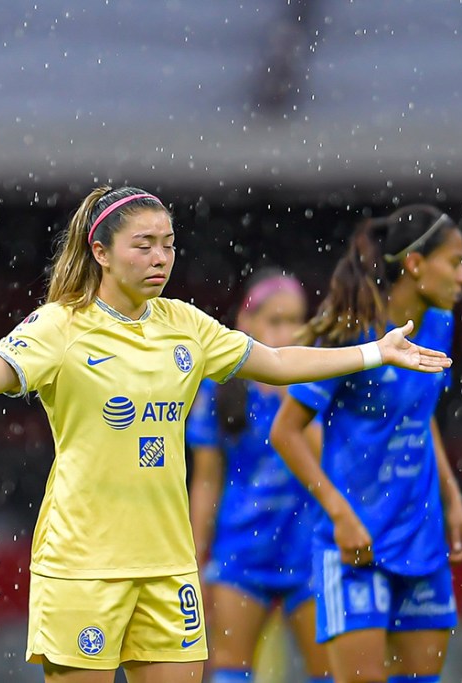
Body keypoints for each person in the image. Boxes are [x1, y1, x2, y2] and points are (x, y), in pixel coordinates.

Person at [0, 186, 451, 683]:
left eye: (168, 244)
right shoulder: (58, 327)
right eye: (143, 244)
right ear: (101, 250)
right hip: (83, 565)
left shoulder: (184, 325)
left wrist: (374, 354)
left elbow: (278, 363)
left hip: (168, 567)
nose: (160, 257)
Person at [269, 205, 462, 683]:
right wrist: (340, 516)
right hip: (356, 543)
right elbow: (285, 431)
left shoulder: (440, 324)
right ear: (417, 265)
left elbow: (420, 418)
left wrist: (452, 496)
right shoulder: (352, 334)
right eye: (455, 261)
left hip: (420, 536)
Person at [186, 269, 331, 683]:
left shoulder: (318, 372)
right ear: (247, 324)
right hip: (240, 553)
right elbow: (207, 479)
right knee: (231, 670)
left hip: (308, 549)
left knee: (329, 673)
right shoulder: (220, 383)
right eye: (276, 320)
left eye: (296, 320)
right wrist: (197, 557)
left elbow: (327, 462)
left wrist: (295, 397)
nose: (288, 331)